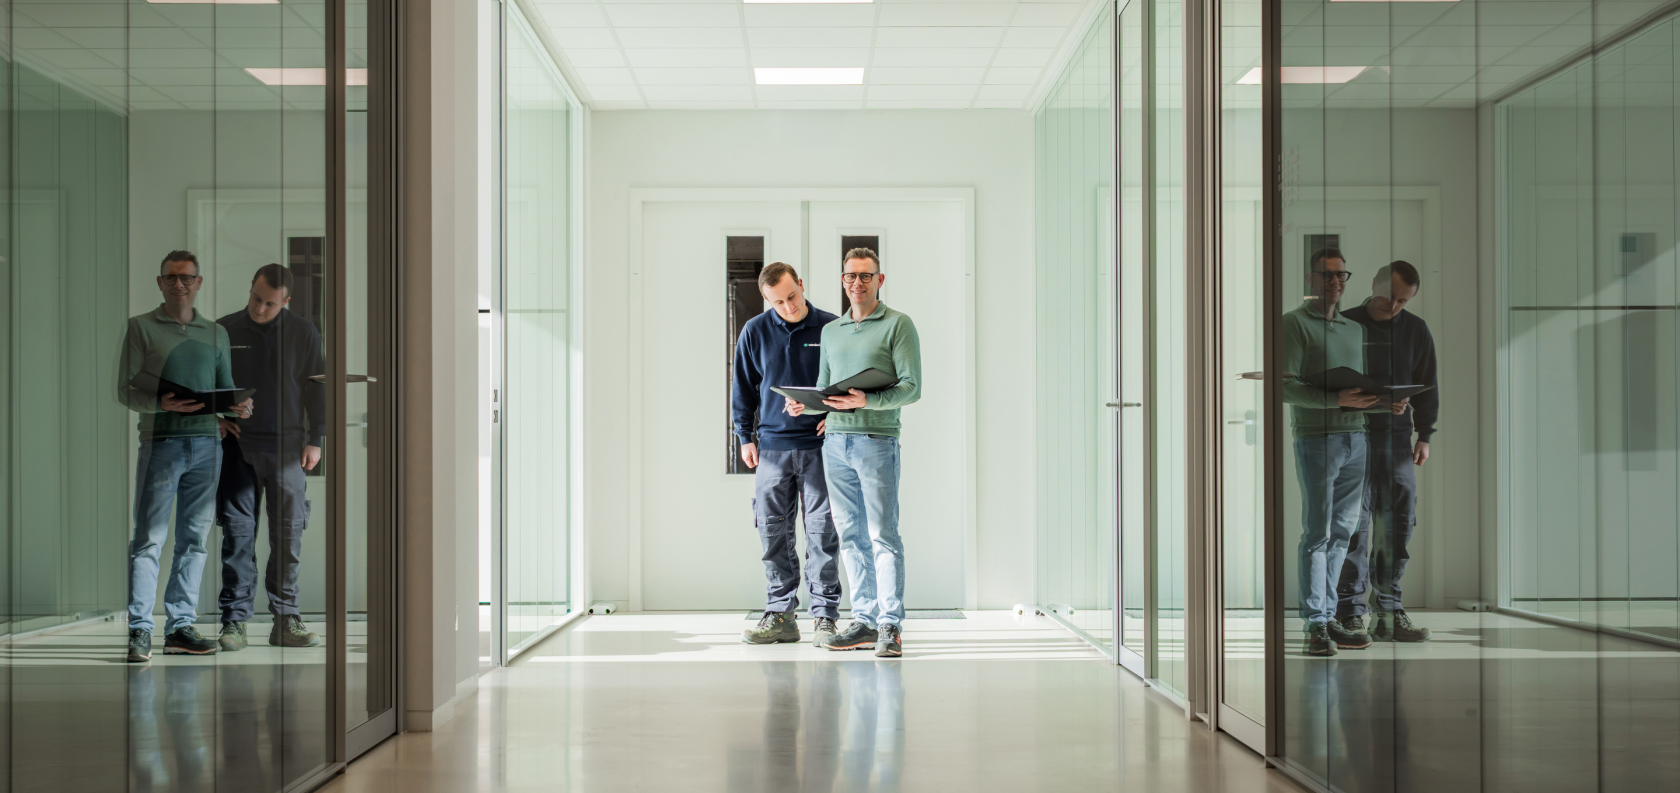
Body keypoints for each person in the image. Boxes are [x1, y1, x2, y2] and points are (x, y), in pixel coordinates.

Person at [119, 250, 253, 662]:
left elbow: (225, 388)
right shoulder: (140, 327)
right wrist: (164, 405)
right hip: (161, 446)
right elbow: (126, 391)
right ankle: (140, 630)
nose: (180, 284)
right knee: (149, 540)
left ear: (198, 283)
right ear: (160, 282)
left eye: (187, 278)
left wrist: (237, 409)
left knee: (194, 540)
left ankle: (180, 627)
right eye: (172, 278)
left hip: (206, 448)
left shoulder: (215, 332)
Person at [787, 247, 921, 658]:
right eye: (850, 276)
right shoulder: (833, 332)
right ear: (843, 280)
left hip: (876, 441)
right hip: (836, 445)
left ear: (880, 280)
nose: (857, 283)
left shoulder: (898, 325)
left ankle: (889, 626)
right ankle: (862, 621)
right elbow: (828, 391)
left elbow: (911, 388)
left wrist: (867, 402)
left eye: (865, 276)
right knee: (849, 536)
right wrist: (804, 403)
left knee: (883, 535)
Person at [214, 264, 326, 651]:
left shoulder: (303, 332)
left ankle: (286, 619)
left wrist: (317, 439)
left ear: (286, 301)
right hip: (236, 450)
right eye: (256, 299)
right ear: (250, 290)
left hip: (289, 451)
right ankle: (234, 622)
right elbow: (206, 385)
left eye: (270, 304)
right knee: (238, 537)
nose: (260, 308)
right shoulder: (223, 330)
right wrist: (216, 417)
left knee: (288, 537)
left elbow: (318, 389)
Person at [732, 262, 842, 645]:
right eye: (778, 302)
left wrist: (834, 413)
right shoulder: (755, 331)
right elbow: (743, 388)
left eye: (792, 297)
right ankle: (780, 614)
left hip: (821, 449)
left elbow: (847, 384)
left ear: (802, 285)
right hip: (773, 449)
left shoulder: (831, 327)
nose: (789, 307)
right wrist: (744, 437)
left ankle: (825, 616)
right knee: (773, 533)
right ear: (766, 299)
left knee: (823, 534)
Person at [1282, 248, 1377, 657]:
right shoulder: (1293, 325)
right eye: (1329, 275)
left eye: (1343, 275)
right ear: (1311, 279)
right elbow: (1284, 386)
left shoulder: (1352, 329)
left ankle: (1330, 616)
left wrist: (1382, 401)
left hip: (1356, 439)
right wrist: (1335, 401)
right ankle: (1315, 625)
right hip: (1317, 439)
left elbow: (1355, 388)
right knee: (1317, 533)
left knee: (1343, 534)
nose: (1337, 282)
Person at [1335, 261, 1437, 643]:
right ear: (1373, 284)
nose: (1393, 306)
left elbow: (1428, 383)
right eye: (1388, 296)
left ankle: (1390, 611)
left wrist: (1425, 434)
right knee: (1354, 526)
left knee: (1398, 523)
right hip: (1352, 437)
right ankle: (1350, 613)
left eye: (1402, 301)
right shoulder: (1344, 324)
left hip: (1397, 440)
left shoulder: (1415, 329)